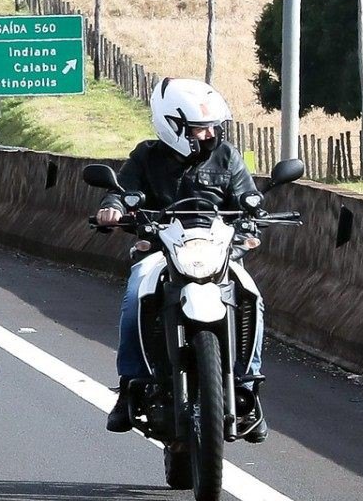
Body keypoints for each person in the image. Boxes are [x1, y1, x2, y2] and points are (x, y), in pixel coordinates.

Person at [100, 79, 268, 440]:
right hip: (162, 250)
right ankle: (130, 382)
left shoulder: (227, 157)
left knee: (251, 295)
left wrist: (251, 222)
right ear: (172, 127)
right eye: (198, 128)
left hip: (216, 252)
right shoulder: (146, 156)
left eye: (211, 126)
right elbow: (122, 191)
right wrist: (113, 209)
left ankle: (249, 387)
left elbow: (249, 199)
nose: (209, 134)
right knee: (134, 297)